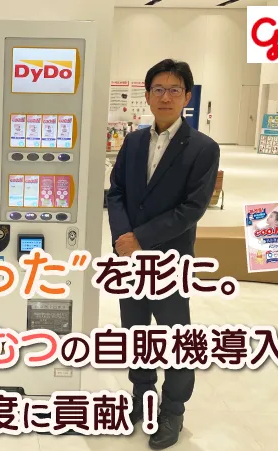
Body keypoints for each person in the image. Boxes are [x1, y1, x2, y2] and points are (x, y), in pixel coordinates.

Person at [105, 59, 220, 450]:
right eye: (158, 89)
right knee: (135, 333)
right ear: (148, 95)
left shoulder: (203, 148)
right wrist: (123, 238)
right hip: (129, 260)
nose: (165, 97)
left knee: (175, 338)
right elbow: (116, 191)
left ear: (187, 97)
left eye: (174, 90)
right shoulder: (134, 142)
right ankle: (141, 396)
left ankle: (172, 410)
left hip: (169, 260)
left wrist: (139, 238)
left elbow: (192, 209)